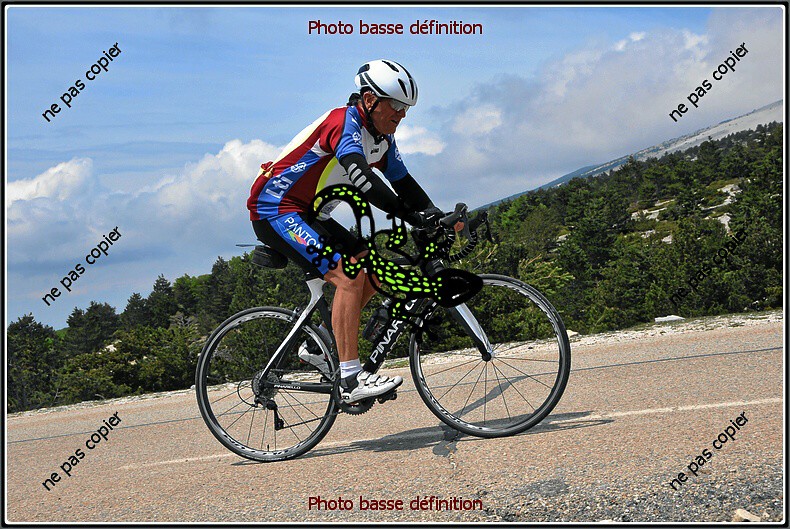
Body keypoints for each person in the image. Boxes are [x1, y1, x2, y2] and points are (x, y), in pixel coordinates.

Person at [247, 59, 445, 403]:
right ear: (369, 100)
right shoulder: (343, 124)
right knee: (349, 276)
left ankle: (319, 345)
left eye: (406, 108)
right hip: (275, 208)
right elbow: (364, 181)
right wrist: (414, 218)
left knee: (374, 270)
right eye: (396, 106)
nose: (402, 115)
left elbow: (404, 184)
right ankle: (351, 381)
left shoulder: (382, 139)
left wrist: (438, 217)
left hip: (310, 212)